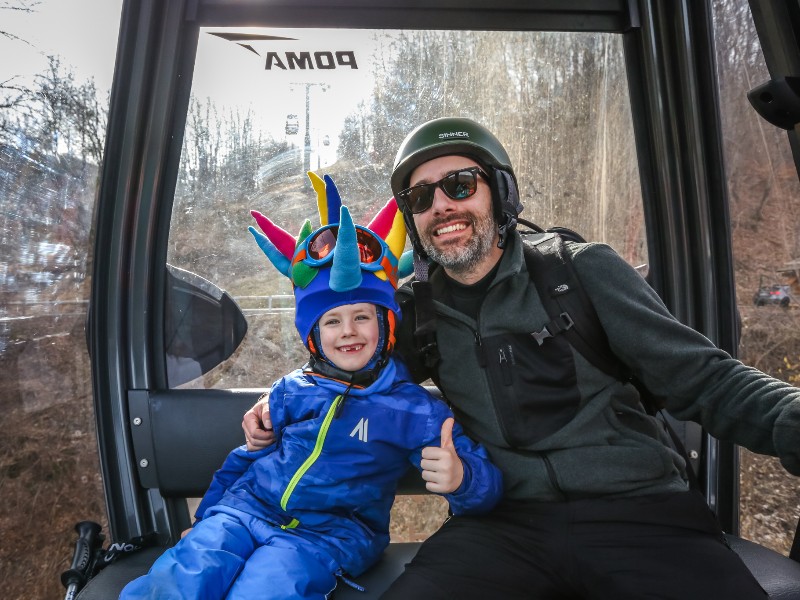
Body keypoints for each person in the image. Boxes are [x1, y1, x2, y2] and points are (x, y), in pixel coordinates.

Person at [243, 118, 800, 599]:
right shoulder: (415, 310)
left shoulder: (581, 273)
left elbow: (706, 379)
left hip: (638, 512)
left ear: (501, 193)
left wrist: (791, 422)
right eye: (421, 197)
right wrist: (279, 407)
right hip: (503, 524)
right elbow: (349, 371)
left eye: (460, 184)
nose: (442, 205)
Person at [120, 172, 502, 600]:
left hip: (327, 536)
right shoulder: (292, 390)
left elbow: (484, 488)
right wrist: (208, 515)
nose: (348, 332)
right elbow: (246, 459)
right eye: (332, 321)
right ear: (313, 335)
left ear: (386, 325)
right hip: (246, 509)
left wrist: (460, 478)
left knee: (265, 590)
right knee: (185, 574)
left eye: (363, 316)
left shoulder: (411, 410)